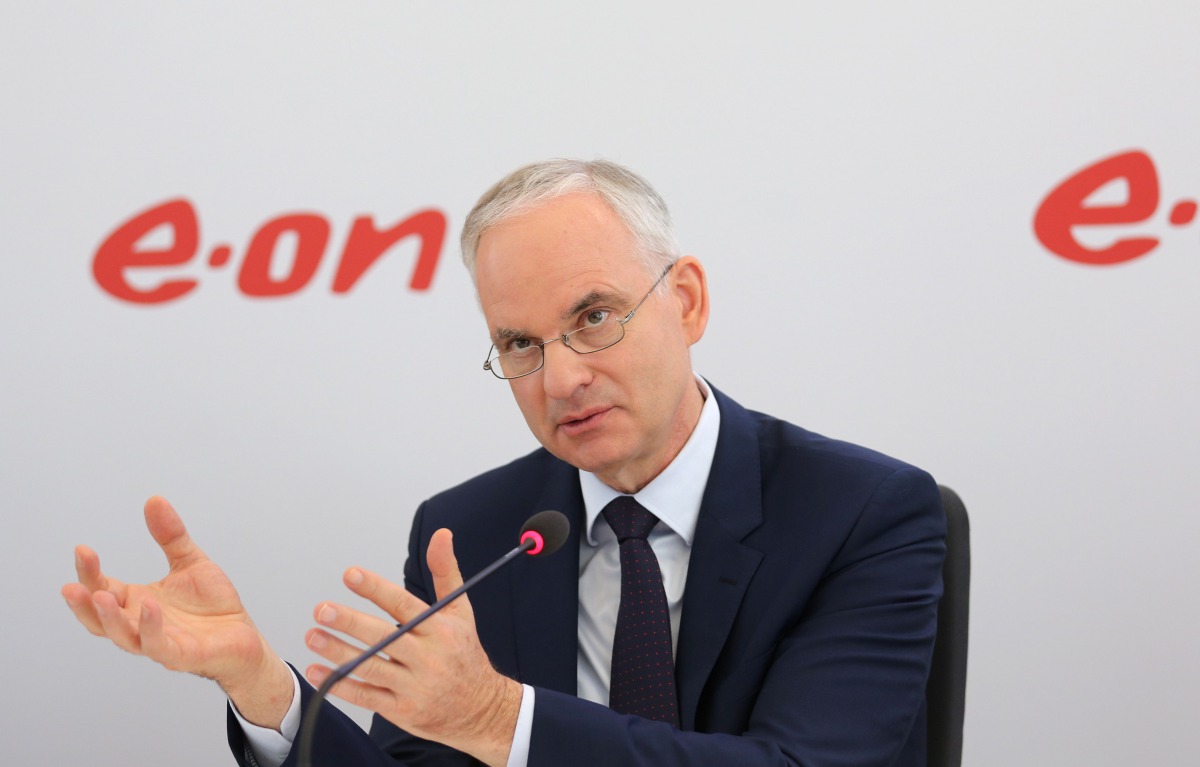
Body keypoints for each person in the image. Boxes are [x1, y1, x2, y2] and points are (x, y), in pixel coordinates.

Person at [63, 159, 946, 767]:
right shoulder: (475, 533)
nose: (561, 378)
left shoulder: (863, 512)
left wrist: (498, 718)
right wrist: (258, 683)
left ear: (686, 300)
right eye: (520, 342)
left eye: (594, 316)